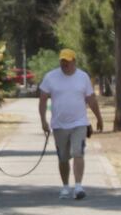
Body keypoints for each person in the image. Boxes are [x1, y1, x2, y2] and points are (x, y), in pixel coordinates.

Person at [39, 49, 104, 200]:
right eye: (62, 61)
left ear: (74, 61)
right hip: (59, 124)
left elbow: (91, 99)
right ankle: (65, 186)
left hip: (79, 123)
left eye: (67, 61)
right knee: (63, 158)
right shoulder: (51, 77)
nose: (64, 64)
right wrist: (43, 121)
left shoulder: (83, 77)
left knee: (78, 153)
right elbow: (42, 99)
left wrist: (99, 118)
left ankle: (78, 186)